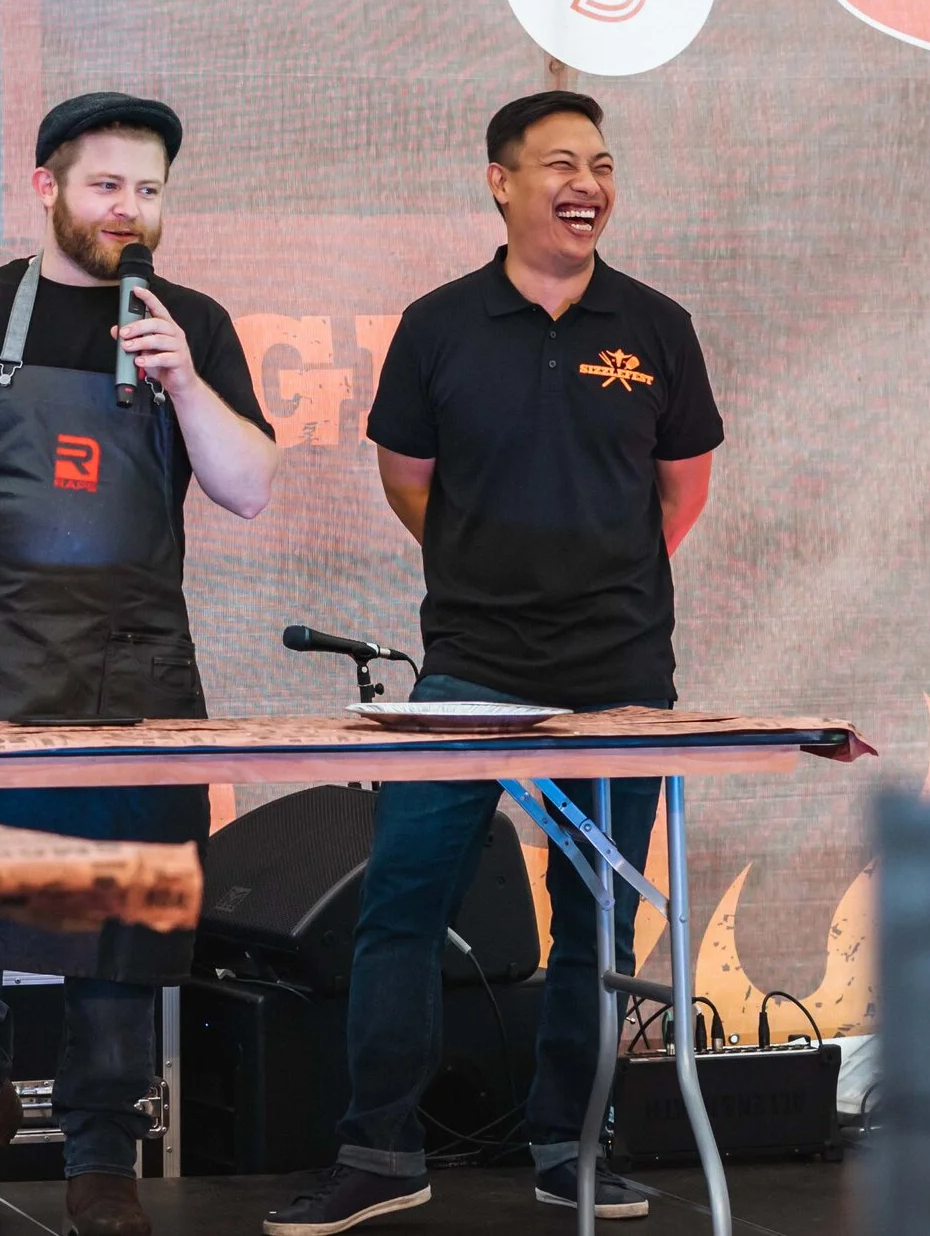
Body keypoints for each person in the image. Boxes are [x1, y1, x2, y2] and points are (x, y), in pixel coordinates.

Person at [264, 91, 722, 1232]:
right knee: (403, 899)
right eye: (560, 162)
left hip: (619, 666)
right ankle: (379, 1150)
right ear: (500, 181)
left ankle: (571, 1143)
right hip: (468, 663)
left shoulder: (654, 323)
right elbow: (406, 474)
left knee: (599, 922)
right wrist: (493, 571)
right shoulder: (438, 323)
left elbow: (683, 485)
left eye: (603, 165)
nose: (588, 184)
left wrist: (594, 579)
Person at [0, 93, 280, 1236]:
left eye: (146, 190)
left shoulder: (193, 325)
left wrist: (185, 380)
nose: (127, 209)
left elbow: (246, 485)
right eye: (105, 186)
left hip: (122, 672)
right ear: (47, 187)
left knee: (119, 930)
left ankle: (103, 1153)